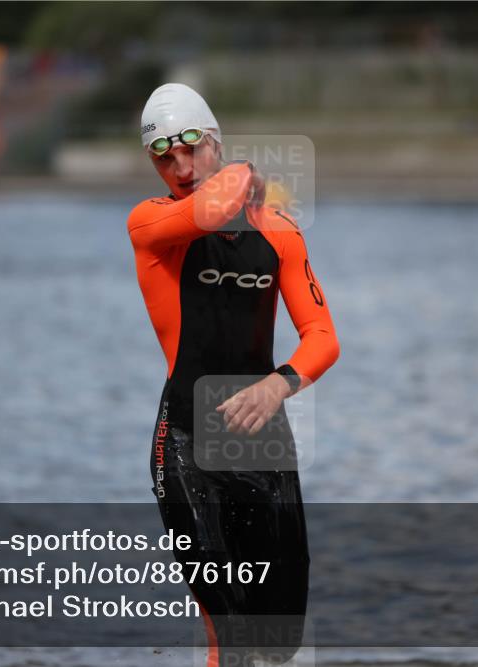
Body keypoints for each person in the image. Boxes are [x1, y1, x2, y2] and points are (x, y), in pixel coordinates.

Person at [128, 83, 340, 667]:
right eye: (163, 157)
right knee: (230, 637)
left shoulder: (279, 233)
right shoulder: (151, 226)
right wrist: (246, 171)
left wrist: (279, 384)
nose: (180, 167)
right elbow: (213, 209)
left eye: (192, 148)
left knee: (279, 644)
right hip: (187, 447)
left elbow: (324, 339)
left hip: (265, 446)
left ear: (215, 143)